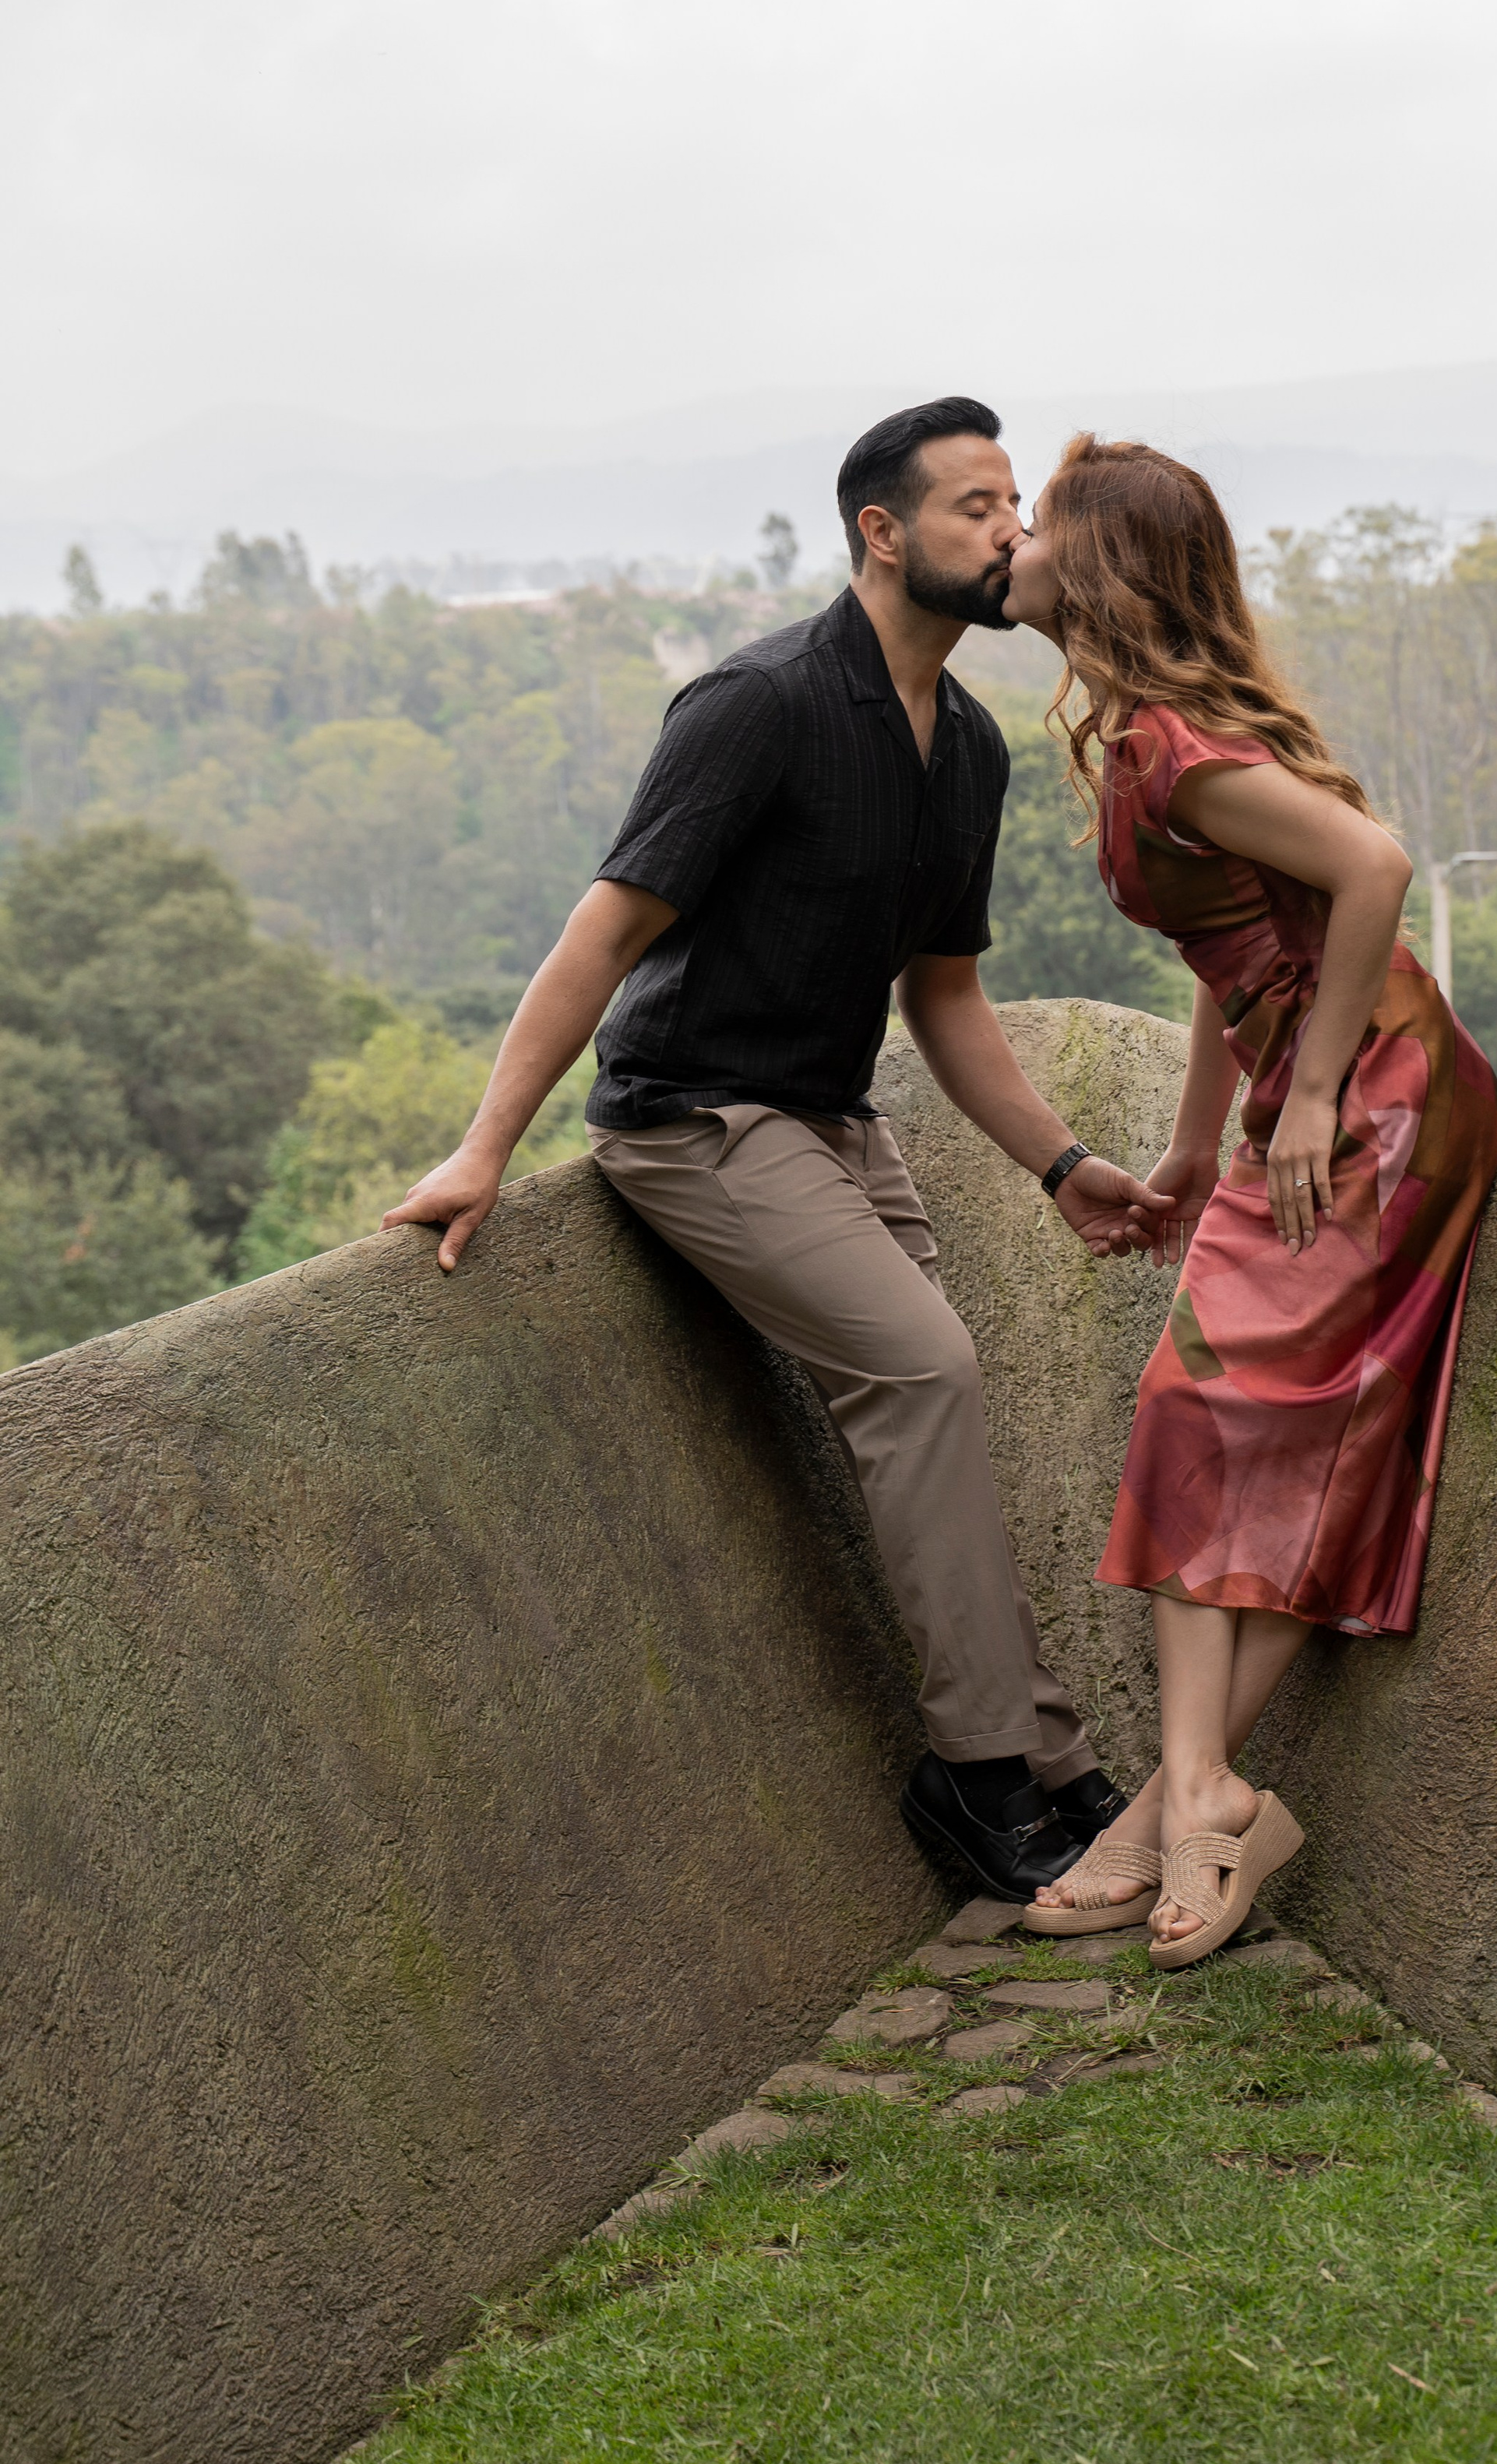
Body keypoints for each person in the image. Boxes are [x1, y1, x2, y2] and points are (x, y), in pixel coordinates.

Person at [382, 397, 1169, 1903]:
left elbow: (945, 999)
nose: (1013, 534)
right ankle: (982, 1778)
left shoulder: (968, 750)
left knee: (937, 1407)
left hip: (833, 1121)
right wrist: (486, 1149)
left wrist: (1063, 1167)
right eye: (977, 508)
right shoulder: (758, 704)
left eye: (1015, 506)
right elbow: (604, 933)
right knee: (927, 1374)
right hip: (694, 1120)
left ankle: (1051, 1760)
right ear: (881, 532)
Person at [1000, 435, 1497, 1966]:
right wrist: (1189, 1144)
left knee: (1205, 1414)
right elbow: (1232, 961)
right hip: (1306, 1098)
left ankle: (1184, 1801)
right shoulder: (1135, 743)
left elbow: (1373, 870)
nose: (1012, 544)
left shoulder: (1179, 753)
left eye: (1033, 523)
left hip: (1383, 1107)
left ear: (1094, 567)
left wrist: (1311, 1095)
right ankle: (1194, 1799)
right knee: (1215, 1436)